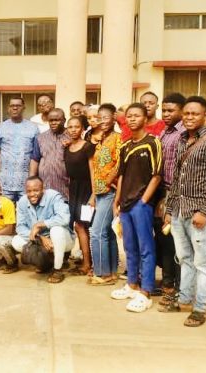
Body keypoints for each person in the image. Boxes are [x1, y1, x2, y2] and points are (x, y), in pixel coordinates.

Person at [161, 96, 206, 327]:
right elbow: (176, 179)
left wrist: (205, 211)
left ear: (205, 116)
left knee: (203, 262)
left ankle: (199, 309)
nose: (190, 118)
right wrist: (170, 209)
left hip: (199, 213)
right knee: (184, 259)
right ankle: (184, 300)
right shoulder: (181, 140)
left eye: (195, 114)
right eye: (187, 114)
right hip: (179, 211)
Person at [110, 103, 162, 313]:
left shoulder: (152, 143)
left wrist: (144, 200)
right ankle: (132, 284)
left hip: (142, 204)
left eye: (136, 115)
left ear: (144, 118)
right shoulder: (125, 146)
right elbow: (121, 175)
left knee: (146, 248)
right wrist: (117, 201)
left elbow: (157, 175)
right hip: (126, 204)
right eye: (129, 116)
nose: (132, 119)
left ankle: (146, 291)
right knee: (129, 247)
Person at [11, 176, 73, 283]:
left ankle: (58, 269)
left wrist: (40, 224)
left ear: (43, 189)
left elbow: (64, 218)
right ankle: (45, 263)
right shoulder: (22, 202)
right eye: (29, 191)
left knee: (56, 230)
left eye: (36, 190)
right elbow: (20, 227)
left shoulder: (53, 196)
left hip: (62, 240)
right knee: (16, 241)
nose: (32, 194)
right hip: (41, 240)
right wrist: (40, 237)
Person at [155, 92, 186, 306]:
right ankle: (167, 283)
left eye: (170, 110)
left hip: (176, 194)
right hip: (161, 192)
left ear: (182, 111)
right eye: (164, 110)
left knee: (177, 245)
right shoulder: (165, 132)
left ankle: (177, 287)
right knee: (164, 240)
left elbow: (181, 170)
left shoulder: (184, 134)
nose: (165, 114)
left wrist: (170, 202)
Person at [88, 103, 121, 286]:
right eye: (99, 118)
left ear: (114, 117)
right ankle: (112, 271)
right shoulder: (101, 140)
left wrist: (109, 180)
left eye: (105, 117)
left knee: (97, 232)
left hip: (111, 191)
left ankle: (102, 273)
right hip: (100, 192)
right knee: (107, 232)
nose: (101, 121)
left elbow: (120, 162)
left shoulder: (118, 138)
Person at [64, 115, 96, 277]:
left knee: (82, 226)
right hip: (74, 191)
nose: (73, 130)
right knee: (78, 225)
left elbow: (93, 172)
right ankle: (87, 261)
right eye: (70, 127)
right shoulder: (67, 147)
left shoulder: (88, 147)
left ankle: (87, 264)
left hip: (87, 191)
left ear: (82, 129)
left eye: (76, 127)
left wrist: (93, 195)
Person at [0, 97, 39, 202]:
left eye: (18, 106)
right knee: (5, 214)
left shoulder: (33, 128)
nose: (15, 108)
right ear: (8, 108)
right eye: (12, 106)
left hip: (26, 182)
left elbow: (36, 155)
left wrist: (33, 179)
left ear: (23, 108)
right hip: (5, 182)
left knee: (27, 213)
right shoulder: (0, 128)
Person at [30, 108, 69, 200]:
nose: (53, 123)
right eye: (51, 120)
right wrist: (31, 181)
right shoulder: (40, 138)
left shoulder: (71, 136)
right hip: (45, 187)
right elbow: (35, 160)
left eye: (57, 120)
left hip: (65, 188)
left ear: (64, 120)